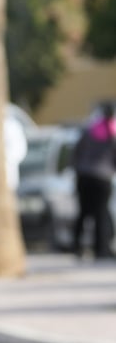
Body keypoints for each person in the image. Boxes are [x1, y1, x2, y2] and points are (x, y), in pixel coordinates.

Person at [72, 101, 116, 259]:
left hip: (83, 176)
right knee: (101, 213)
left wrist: (78, 170)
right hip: (102, 177)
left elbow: (76, 152)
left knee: (83, 213)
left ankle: (77, 247)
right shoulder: (112, 131)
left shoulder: (90, 129)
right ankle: (101, 249)